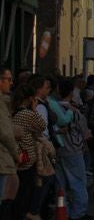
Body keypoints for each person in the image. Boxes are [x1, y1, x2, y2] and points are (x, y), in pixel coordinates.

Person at [56, 79, 91, 220]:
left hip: (58, 150)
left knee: (60, 185)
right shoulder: (74, 111)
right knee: (78, 183)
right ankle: (78, 213)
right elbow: (85, 132)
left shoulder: (53, 108)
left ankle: (63, 211)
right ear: (71, 92)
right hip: (74, 151)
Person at [12, 85, 42, 220]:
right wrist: (35, 109)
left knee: (15, 191)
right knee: (26, 190)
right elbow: (42, 124)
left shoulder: (11, 112)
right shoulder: (28, 114)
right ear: (30, 99)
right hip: (27, 157)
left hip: (14, 155)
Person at [0, 67, 19, 220]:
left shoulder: (4, 101)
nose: (11, 83)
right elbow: (5, 133)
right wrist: (16, 153)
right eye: (8, 79)